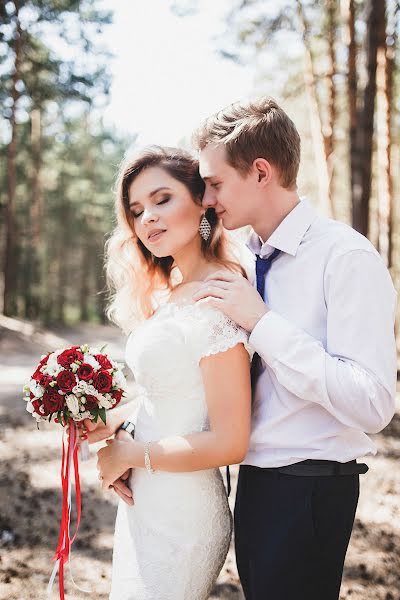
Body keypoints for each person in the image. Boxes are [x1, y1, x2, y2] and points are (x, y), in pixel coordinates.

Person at [187, 97, 397, 600]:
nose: (207, 199)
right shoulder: (247, 261)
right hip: (255, 485)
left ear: (261, 171)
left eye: (215, 183)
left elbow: (374, 404)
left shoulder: (344, 257)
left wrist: (263, 323)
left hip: (310, 489)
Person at [87, 145, 253, 600]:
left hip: (184, 514)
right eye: (137, 211)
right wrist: (114, 423)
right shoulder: (173, 294)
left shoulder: (219, 297)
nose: (148, 220)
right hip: (147, 500)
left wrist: (131, 455)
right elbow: (174, 396)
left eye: (162, 200)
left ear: (202, 200)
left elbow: (230, 440)